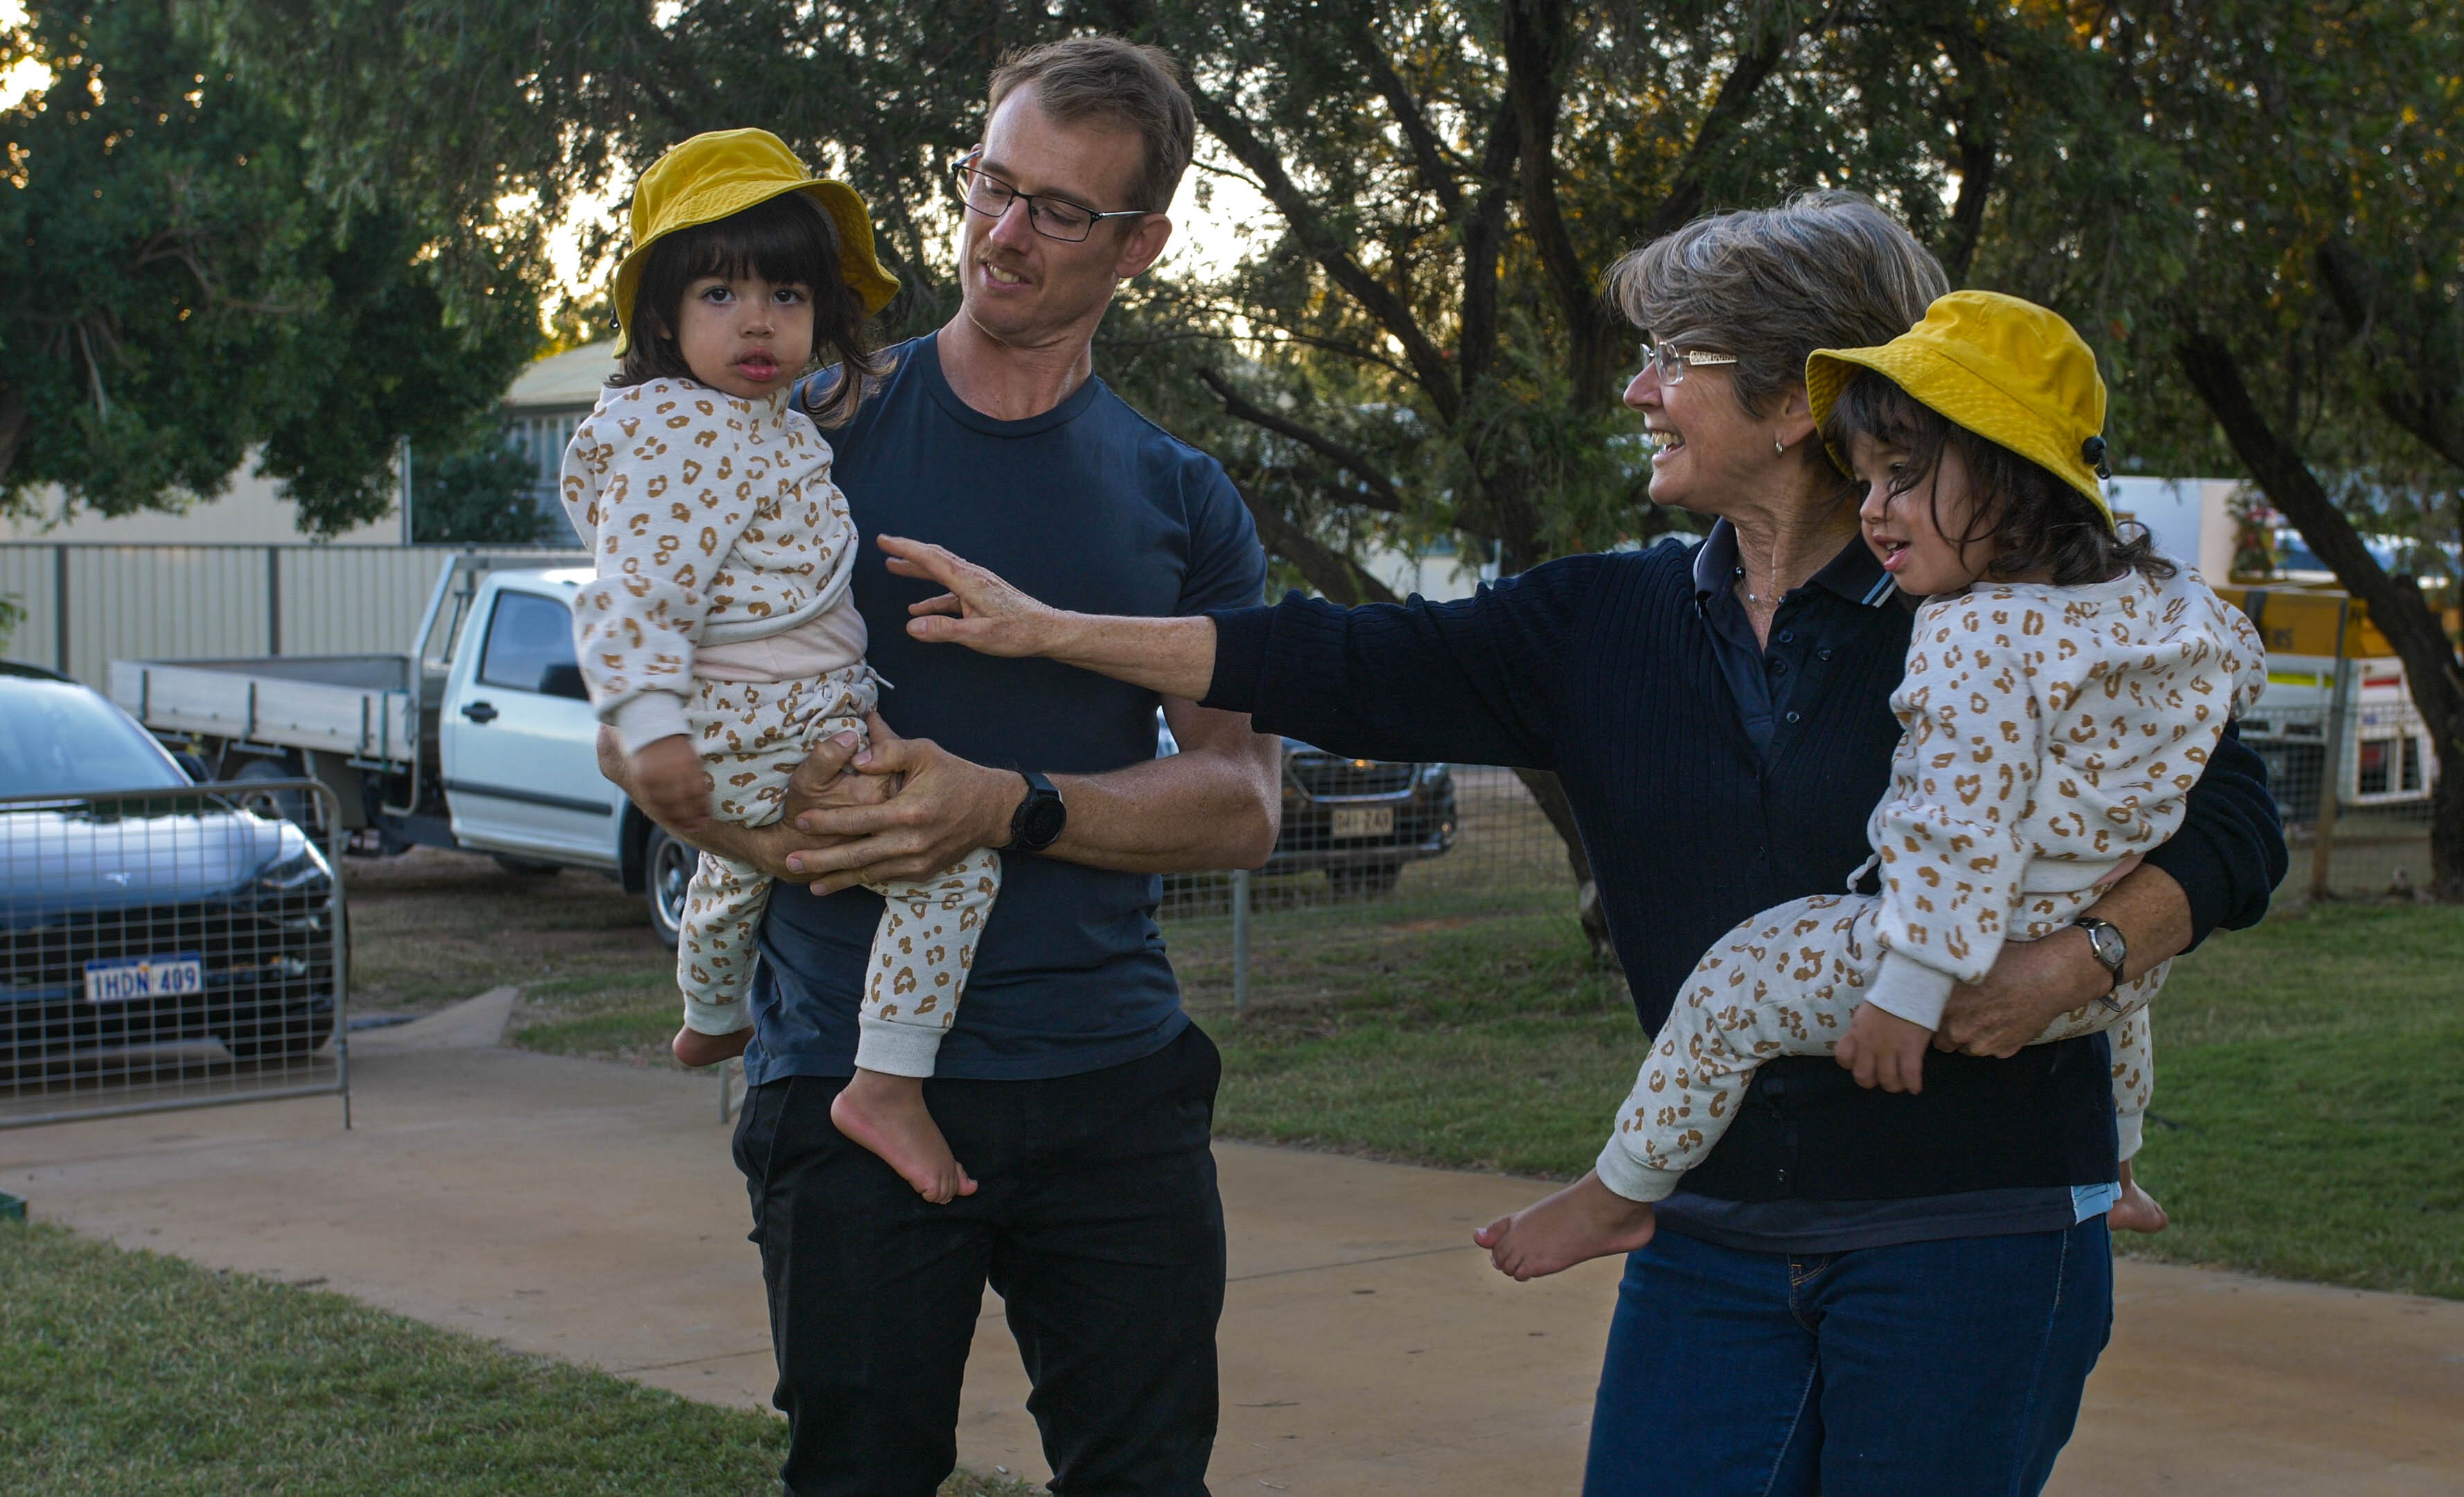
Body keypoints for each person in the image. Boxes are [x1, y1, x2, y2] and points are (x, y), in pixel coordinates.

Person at [868, 194, 2286, 1494]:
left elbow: (2233, 819)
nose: (1637, 389)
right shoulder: (1601, 623)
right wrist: (1052, 630)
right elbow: (1334, 660)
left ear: (1793, 402)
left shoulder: (1996, 605)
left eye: (1674, 357)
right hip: (1707, 1234)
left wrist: (2076, 964)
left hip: (1973, 1229)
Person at [595, 39, 1279, 1496]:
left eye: (1059, 210)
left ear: (1142, 246)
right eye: (990, 184)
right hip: (837, 1070)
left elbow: (1241, 805)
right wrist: (770, 838)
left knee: (1147, 1478)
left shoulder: (1183, 497)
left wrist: (1007, 809)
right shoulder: (786, 427)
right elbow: (637, 702)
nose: (1002, 234)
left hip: (1111, 1081)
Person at [1479, 290, 2263, 1280]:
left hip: (1962, 958)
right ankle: (2121, 1163)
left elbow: (1952, 823)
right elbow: (2236, 676)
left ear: (2016, 476)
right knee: (2124, 1004)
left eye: (1903, 476)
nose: (1873, 510)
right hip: (2109, 970)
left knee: (1732, 980)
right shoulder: (2165, 599)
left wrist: (1907, 992)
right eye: (1866, 480)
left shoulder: (1971, 632)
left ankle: (1617, 1193)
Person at [562, 128, 998, 1206]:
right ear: (662, 318)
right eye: (720, 293)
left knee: (735, 867)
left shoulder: (750, 423)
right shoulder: (687, 435)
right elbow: (631, 592)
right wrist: (649, 727)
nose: (758, 321)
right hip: (762, 725)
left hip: (764, 729)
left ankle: (712, 1014)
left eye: (788, 295)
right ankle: (885, 1086)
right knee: (957, 871)